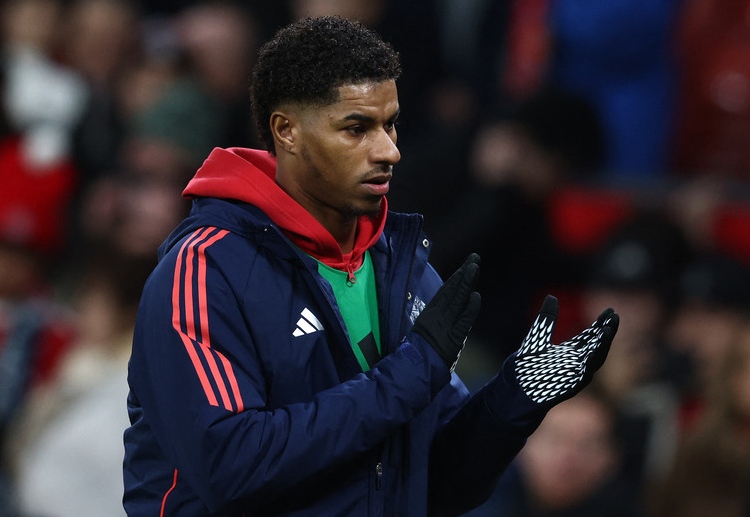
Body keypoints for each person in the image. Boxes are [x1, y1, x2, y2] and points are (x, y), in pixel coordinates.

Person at [123, 16, 619, 516]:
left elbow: (432, 486)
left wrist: (509, 403)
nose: (389, 151)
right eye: (357, 128)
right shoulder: (205, 270)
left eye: (390, 124)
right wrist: (411, 372)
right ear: (286, 130)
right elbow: (231, 466)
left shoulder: (403, 271)